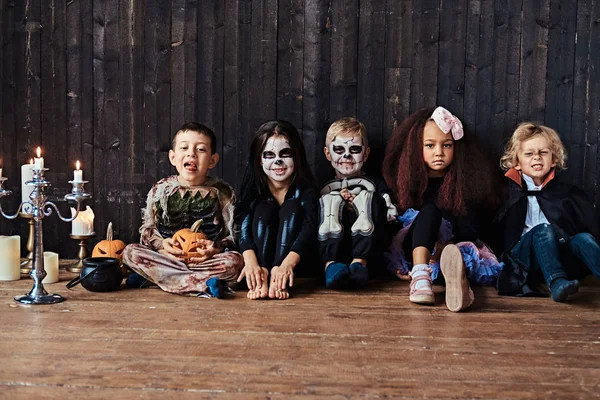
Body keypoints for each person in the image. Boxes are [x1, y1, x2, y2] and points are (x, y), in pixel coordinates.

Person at [382, 107, 502, 312]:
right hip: (416, 251)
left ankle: (459, 286)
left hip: (450, 248)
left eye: (447, 145)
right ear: (415, 148)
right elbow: (394, 223)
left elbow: (471, 226)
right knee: (429, 212)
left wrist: (443, 248)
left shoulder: (465, 185)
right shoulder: (407, 184)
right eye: (430, 145)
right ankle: (421, 277)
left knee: (459, 254)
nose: (439, 152)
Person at [122, 122, 243, 297]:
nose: (191, 153)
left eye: (200, 149)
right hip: (167, 258)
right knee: (130, 252)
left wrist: (215, 248)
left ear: (212, 160)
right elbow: (148, 230)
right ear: (172, 157)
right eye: (184, 148)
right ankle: (204, 284)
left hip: (205, 260)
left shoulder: (221, 192)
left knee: (234, 261)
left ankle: (156, 278)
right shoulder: (161, 189)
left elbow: (232, 235)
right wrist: (163, 246)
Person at [495, 122, 600, 301]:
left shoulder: (566, 193)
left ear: (554, 159)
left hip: (560, 255)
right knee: (543, 229)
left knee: (584, 238)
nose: (536, 157)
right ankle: (557, 282)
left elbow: (591, 225)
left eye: (543, 152)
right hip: (525, 262)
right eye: (529, 153)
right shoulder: (506, 194)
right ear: (516, 163)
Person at [236, 120, 318, 300]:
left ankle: (277, 275)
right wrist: (251, 264)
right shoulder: (254, 189)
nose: (277, 161)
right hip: (259, 261)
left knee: (292, 207)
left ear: (296, 156)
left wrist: (286, 265)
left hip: (295, 263)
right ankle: (263, 275)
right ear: (259, 159)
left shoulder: (306, 191)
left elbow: (308, 230)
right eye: (269, 155)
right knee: (264, 208)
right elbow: (243, 227)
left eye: (285, 153)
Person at [319, 117, 399, 290]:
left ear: (365, 153)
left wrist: (361, 203)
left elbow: (391, 215)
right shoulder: (322, 186)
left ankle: (359, 264)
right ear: (327, 153)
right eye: (339, 149)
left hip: (369, 249)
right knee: (329, 200)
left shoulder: (376, 183)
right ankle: (330, 265)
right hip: (335, 246)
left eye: (354, 149)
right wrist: (339, 202)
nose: (346, 155)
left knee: (370, 198)